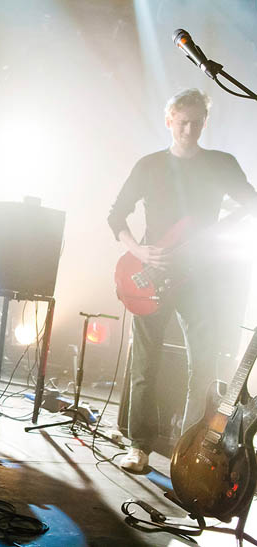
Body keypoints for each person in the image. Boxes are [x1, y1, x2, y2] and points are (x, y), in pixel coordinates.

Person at [108, 89, 257, 473]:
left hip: (201, 278)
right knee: (145, 364)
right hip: (151, 273)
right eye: (182, 121)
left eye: (196, 122)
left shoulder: (222, 164)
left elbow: (251, 202)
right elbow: (116, 216)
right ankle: (137, 446)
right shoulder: (150, 165)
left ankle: (189, 450)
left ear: (205, 122)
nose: (189, 130)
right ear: (169, 120)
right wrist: (138, 252)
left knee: (204, 366)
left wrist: (223, 228)